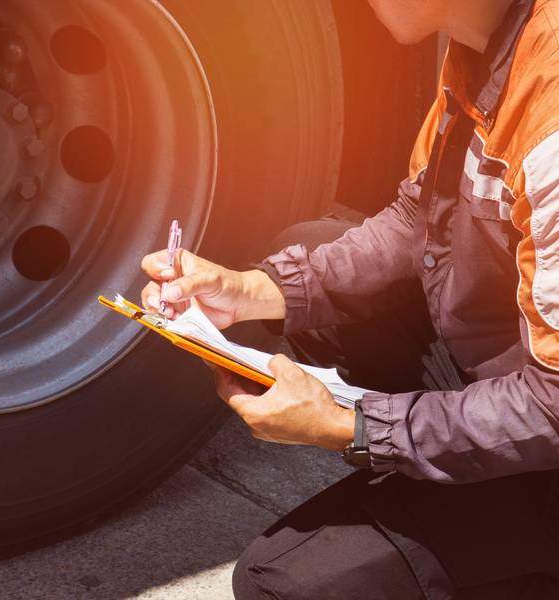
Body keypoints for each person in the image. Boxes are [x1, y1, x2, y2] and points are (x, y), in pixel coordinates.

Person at [140, 0, 559, 597]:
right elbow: (422, 218)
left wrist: (352, 426)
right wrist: (254, 290)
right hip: (514, 377)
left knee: (282, 584)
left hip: (545, 446)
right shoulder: (485, 40)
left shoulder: (551, 121)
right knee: (306, 256)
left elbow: (551, 407)